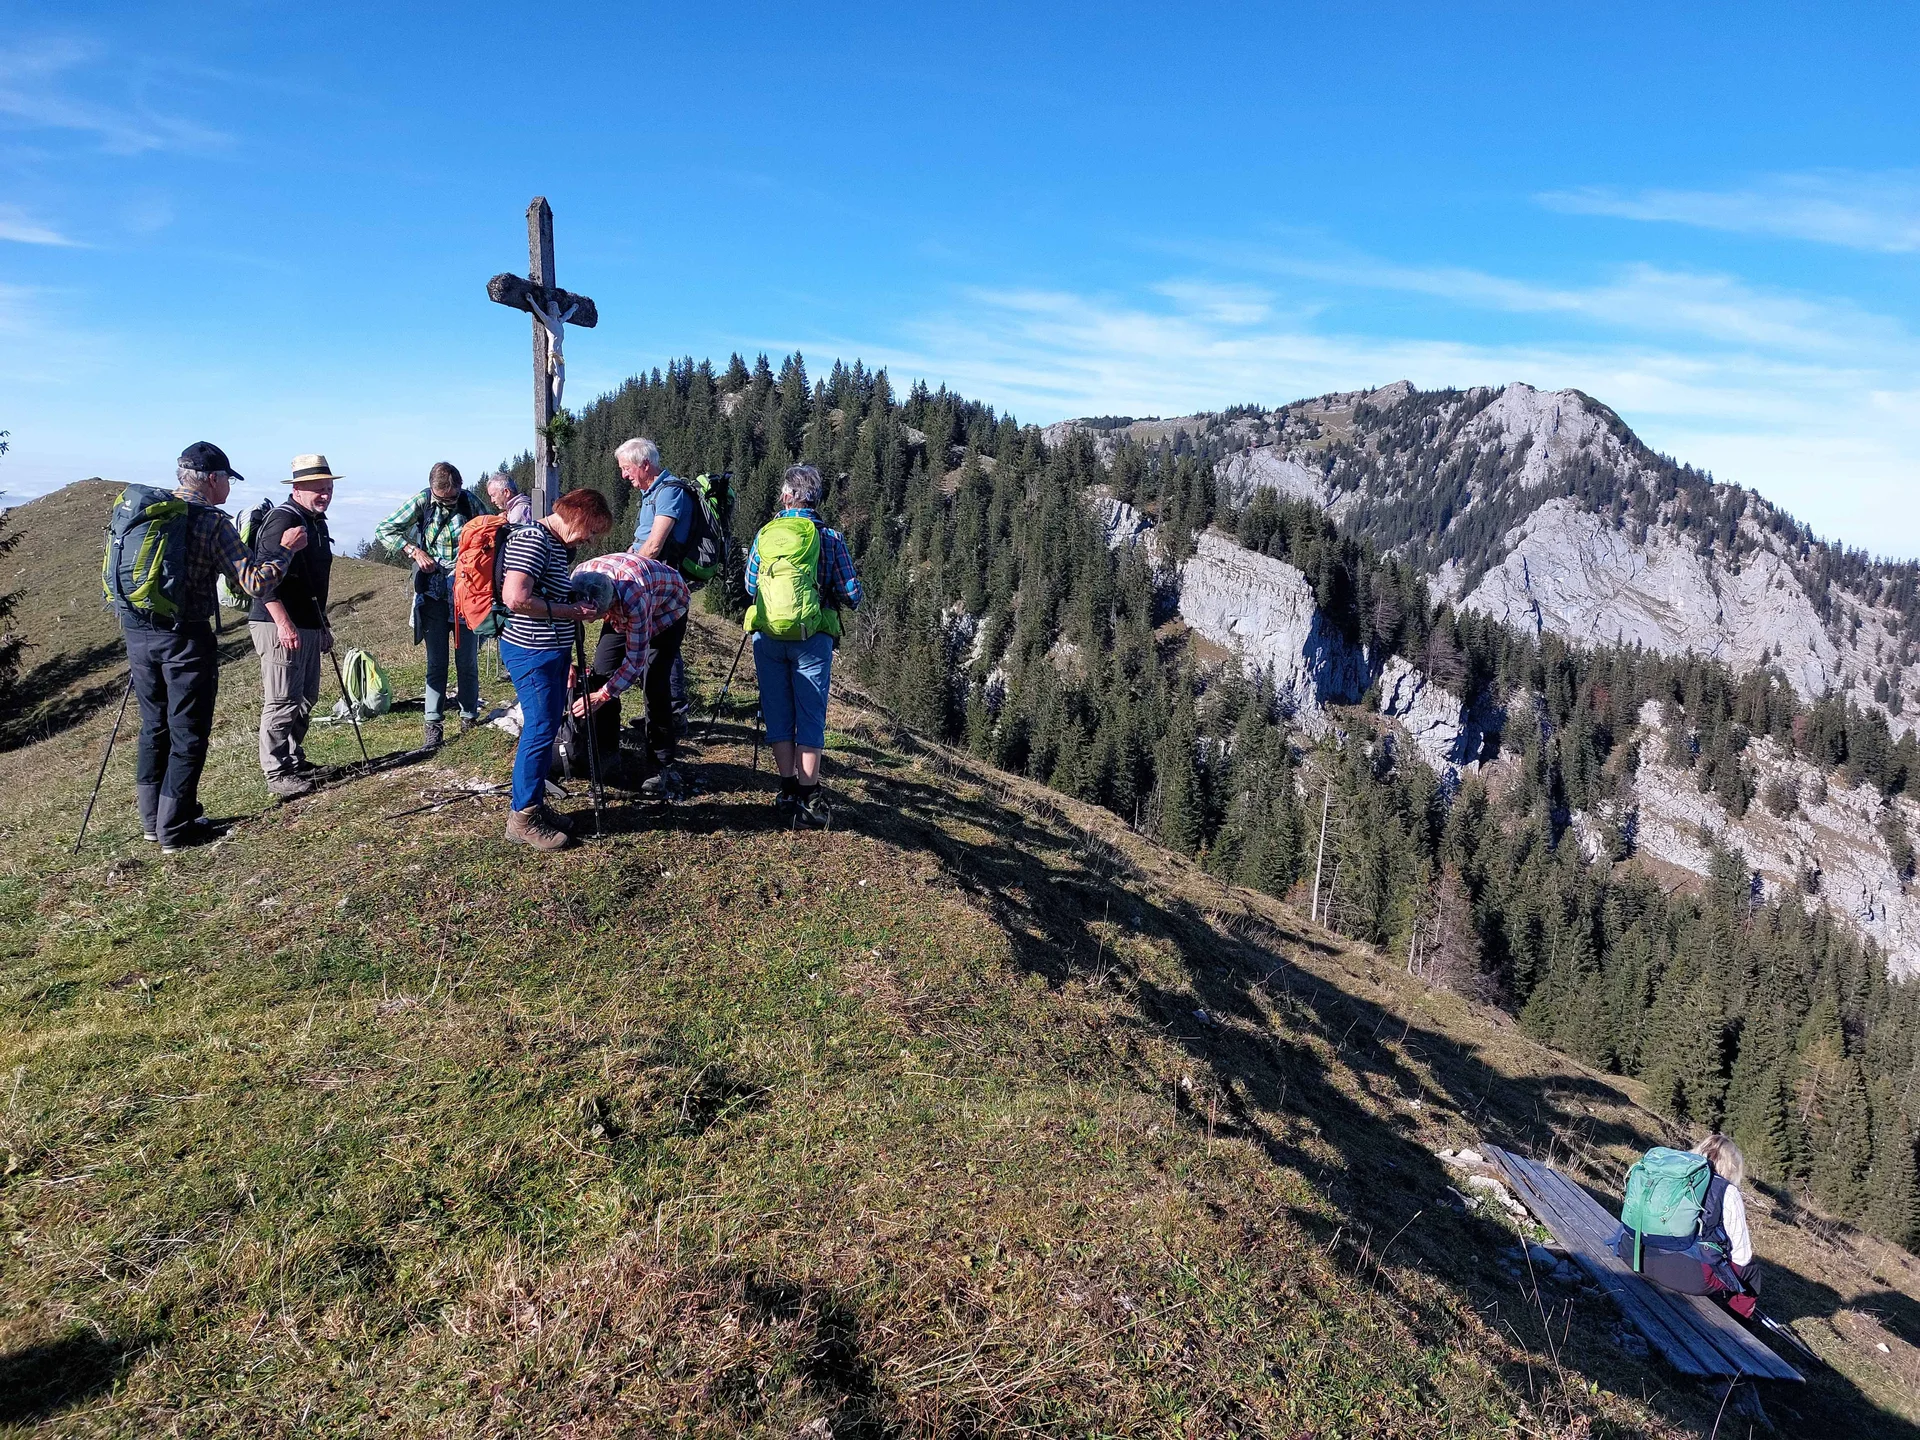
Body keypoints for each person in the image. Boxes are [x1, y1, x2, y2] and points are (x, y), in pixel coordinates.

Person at [116, 442, 306, 851]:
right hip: (185, 637)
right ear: (213, 479)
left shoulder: (151, 512)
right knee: (189, 732)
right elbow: (254, 582)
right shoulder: (210, 521)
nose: (229, 489)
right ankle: (176, 828)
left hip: (137, 633)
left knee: (155, 726)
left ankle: (153, 821)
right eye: (228, 480)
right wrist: (285, 551)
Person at [743, 464, 862, 826]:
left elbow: (750, 586)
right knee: (810, 715)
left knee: (779, 713)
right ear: (816, 497)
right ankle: (810, 799)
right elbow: (853, 594)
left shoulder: (766, 534)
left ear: (785, 496)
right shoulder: (831, 538)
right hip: (812, 637)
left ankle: (786, 790)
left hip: (768, 637)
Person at [497, 487, 612, 850]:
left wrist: (571, 602)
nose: (591, 539)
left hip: (548, 650)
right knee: (540, 729)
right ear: (577, 514)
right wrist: (570, 612)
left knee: (544, 728)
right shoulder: (532, 539)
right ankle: (523, 819)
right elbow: (515, 597)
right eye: (591, 529)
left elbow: (545, 594)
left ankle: (533, 807)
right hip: (531, 652)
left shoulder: (552, 544)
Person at [372, 462, 484, 749]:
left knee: (467, 660)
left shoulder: (471, 502)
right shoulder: (422, 502)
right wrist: (413, 550)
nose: (448, 502)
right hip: (432, 593)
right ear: (433, 490)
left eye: (452, 497)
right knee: (437, 662)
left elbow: (492, 532)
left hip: (465, 592)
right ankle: (433, 724)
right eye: (443, 498)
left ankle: (469, 719)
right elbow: (384, 529)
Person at [248, 454, 338, 799]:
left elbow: (314, 581)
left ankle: (292, 758)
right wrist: (283, 623)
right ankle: (277, 772)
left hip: (308, 622)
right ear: (297, 488)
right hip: (277, 623)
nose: (325, 495)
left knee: (306, 696)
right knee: (282, 699)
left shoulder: (317, 521)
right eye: (318, 489)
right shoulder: (281, 521)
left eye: (328, 488)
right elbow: (260, 580)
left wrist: (322, 624)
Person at [568, 552, 691, 790]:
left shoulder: (635, 600)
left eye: (598, 616)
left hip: (668, 607)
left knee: (654, 681)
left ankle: (660, 764)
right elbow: (568, 626)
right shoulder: (579, 578)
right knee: (602, 674)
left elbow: (635, 661)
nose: (592, 623)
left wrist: (604, 695)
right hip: (627, 598)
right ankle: (607, 755)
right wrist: (568, 664)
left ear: (610, 606)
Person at [618, 437, 693, 735]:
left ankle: (673, 714)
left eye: (626, 468)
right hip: (650, 578)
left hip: (661, 582)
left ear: (644, 464)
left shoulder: (669, 492)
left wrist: (628, 571)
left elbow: (654, 545)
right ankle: (658, 713)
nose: (624, 475)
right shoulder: (652, 492)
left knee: (664, 648)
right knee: (652, 645)